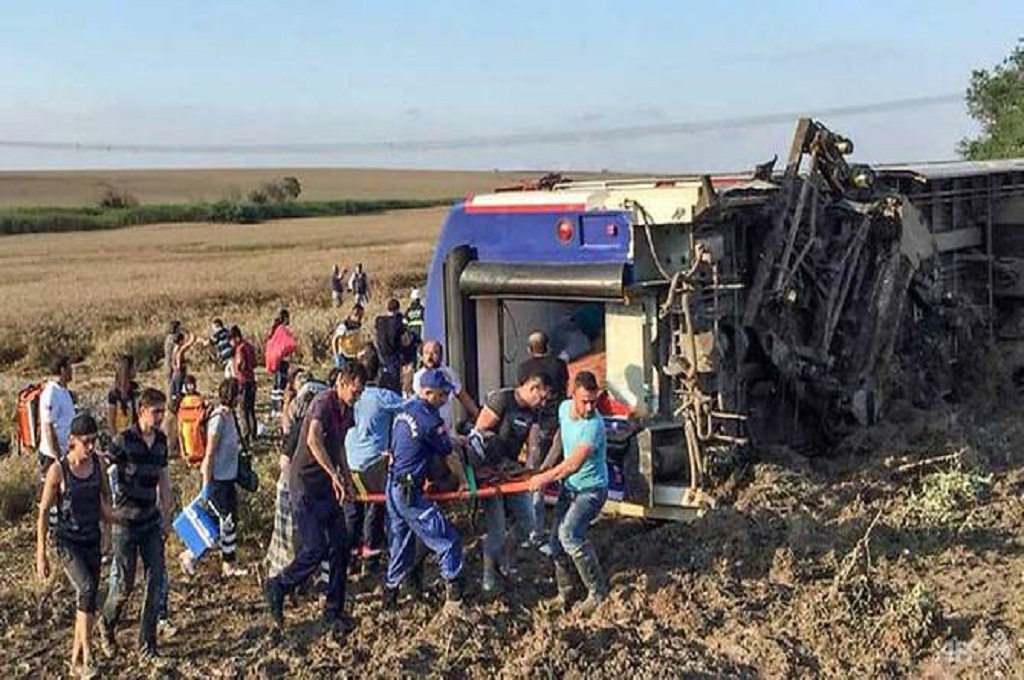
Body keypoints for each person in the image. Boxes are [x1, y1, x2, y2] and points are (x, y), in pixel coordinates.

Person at [265, 362, 368, 639]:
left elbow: (339, 446)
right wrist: (334, 474)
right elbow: (313, 440)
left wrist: (346, 478)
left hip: (327, 486)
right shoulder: (323, 403)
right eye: (355, 391)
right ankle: (279, 585)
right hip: (305, 486)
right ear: (342, 383)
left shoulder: (347, 410)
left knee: (341, 545)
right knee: (315, 547)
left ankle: (334, 610)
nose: (357, 397)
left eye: (360, 393)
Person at [383, 368, 468, 612]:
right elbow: (449, 455)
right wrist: (463, 481)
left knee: (401, 544)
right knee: (448, 540)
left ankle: (390, 597)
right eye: (442, 395)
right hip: (410, 492)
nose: (445, 400)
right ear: (429, 393)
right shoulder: (430, 419)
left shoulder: (404, 411)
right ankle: (454, 602)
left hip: (393, 485)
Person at [36, 413, 113, 679]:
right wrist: (41, 554)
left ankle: (75, 663)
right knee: (87, 589)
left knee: (88, 601)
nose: (90, 447)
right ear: (72, 440)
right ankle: (89, 657)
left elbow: (105, 497)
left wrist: (108, 531)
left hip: (92, 538)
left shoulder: (98, 463)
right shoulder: (59, 470)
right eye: (85, 442)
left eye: (94, 441)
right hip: (68, 542)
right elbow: (43, 512)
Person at [528, 370, 610, 616]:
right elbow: (560, 438)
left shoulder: (594, 426)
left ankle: (597, 592)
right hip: (570, 489)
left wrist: (543, 478)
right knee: (555, 543)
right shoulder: (564, 409)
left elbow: (573, 464)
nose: (589, 408)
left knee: (569, 534)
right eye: (585, 401)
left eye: (593, 402)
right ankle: (565, 592)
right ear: (572, 395)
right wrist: (545, 466)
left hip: (591, 491)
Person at [100, 388, 174, 660]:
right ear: (142, 411)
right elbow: (104, 472)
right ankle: (107, 624)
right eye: (156, 412)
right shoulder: (123, 441)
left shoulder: (161, 441)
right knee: (124, 586)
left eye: (162, 411)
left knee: (155, 582)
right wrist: (107, 512)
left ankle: (147, 646)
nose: (160, 417)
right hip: (125, 523)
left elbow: (164, 479)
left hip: (150, 521)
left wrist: (167, 516)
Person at [469, 369, 550, 593]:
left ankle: (505, 556)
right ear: (532, 388)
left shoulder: (534, 412)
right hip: (489, 473)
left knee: (528, 522)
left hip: (512, 472)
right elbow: (477, 434)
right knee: (497, 528)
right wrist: (494, 463)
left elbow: (533, 445)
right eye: (542, 397)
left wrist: (531, 468)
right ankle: (488, 576)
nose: (543, 402)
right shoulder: (502, 400)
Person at [343, 346, 404, 575]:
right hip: (372, 466)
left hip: (348, 465)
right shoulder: (383, 397)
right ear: (378, 371)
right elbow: (412, 408)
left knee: (351, 513)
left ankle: (348, 559)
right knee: (376, 509)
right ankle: (370, 560)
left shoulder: (345, 396)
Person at [181, 379, 248, 577]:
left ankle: (220, 561)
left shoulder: (230, 416)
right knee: (225, 522)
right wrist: (206, 485)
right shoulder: (218, 419)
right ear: (233, 396)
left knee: (226, 522)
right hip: (217, 479)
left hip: (228, 478)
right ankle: (200, 557)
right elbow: (210, 454)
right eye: (239, 393)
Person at [517, 331, 570, 548]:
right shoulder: (559, 365)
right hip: (560, 425)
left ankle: (535, 532)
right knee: (564, 474)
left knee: (535, 477)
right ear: (548, 347)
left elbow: (523, 397)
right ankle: (563, 529)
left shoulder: (523, 369)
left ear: (529, 349)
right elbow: (565, 390)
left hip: (536, 427)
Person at [412, 340, 479, 434]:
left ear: (441, 356)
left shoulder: (449, 374)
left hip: (445, 427)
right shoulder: (418, 377)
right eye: (426, 353)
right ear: (422, 356)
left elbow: (463, 397)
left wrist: (479, 417)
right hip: (427, 427)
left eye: (435, 352)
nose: (430, 356)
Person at [39, 355, 75, 478]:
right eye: (70, 367)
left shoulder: (64, 391)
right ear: (62, 370)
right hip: (52, 456)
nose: (72, 371)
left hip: (65, 453)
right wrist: (58, 458)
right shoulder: (51, 393)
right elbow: (49, 428)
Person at [229, 325, 258, 447]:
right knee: (251, 410)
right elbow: (255, 363)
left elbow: (240, 364)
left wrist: (237, 370)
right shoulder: (249, 346)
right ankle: (253, 435)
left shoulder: (239, 349)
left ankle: (245, 437)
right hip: (251, 380)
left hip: (242, 382)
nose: (230, 344)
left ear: (236, 338)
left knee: (243, 411)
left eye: (231, 340)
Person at [266, 309, 296, 420]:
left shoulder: (275, 330)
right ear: (285, 318)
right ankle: (279, 409)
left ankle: (274, 408)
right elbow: (290, 343)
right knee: (281, 385)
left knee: (276, 385)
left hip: (276, 360)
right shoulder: (282, 330)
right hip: (282, 360)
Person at [373, 298, 405, 394]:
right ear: (397, 309)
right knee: (395, 384)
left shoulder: (379, 321)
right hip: (393, 356)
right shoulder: (397, 322)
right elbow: (404, 340)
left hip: (381, 356)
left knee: (383, 381)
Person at [106, 355, 139, 435]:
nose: (136, 370)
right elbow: (111, 420)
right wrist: (116, 438)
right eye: (134, 367)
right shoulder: (114, 394)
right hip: (122, 435)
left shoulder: (135, 389)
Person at [331, 304, 365, 368]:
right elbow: (334, 340)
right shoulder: (344, 326)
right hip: (344, 357)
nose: (361, 319)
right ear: (355, 314)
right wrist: (336, 356)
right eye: (360, 317)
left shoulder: (357, 326)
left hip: (354, 357)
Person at [170, 330, 196, 410]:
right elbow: (191, 341)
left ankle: (175, 408)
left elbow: (173, 364)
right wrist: (191, 333)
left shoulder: (174, 349)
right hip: (180, 373)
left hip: (174, 374)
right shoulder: (181, 349)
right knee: (181, 392)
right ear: (180, 340)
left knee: (175, 393)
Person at [163, 320, 181, 396]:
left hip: (168, 361)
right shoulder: (173, 338)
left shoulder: (168, 337)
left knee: (169, 382)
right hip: (170, 362)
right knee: (171, 382)